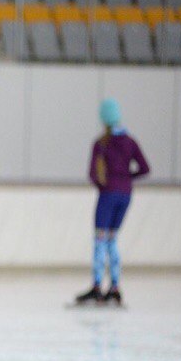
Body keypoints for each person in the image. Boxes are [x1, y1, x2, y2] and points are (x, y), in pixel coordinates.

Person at [75, 98, 150, 307]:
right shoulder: (130, 141)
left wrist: (107, 184)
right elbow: (145, 168)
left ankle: (98, 287)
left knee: (100, 240)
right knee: (113, 239)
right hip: (125, 195)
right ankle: (115, 287)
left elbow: (93, 174)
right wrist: (126, 179)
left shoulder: (101, 144)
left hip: (108, 195)